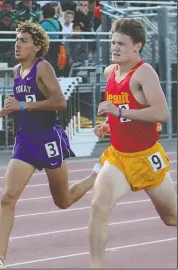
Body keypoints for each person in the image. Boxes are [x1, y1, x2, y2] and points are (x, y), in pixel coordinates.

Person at [0, 21, 99, 269]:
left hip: (47, 139)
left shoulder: (43, 68)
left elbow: (59, 102)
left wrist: (21, 106)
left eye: (23, 41)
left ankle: (96, 175)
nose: (17, 44)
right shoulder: (15, 70)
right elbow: (19, 102)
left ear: (37, 46)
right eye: (16, 40)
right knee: (7, 197)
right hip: (26, 140)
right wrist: (0, 113)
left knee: (63, 201)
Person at [88, 18, 177, 268]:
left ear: (137, 46)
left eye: (121, 44)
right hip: (119, 157)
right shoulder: (110, 72)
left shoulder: (144, 72)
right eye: (113, 42)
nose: (115, 48)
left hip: (147, 159)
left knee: (171, 218)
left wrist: (119, 114)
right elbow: (122, 112)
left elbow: (162, 114)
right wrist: (109, 125)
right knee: (98, 207)